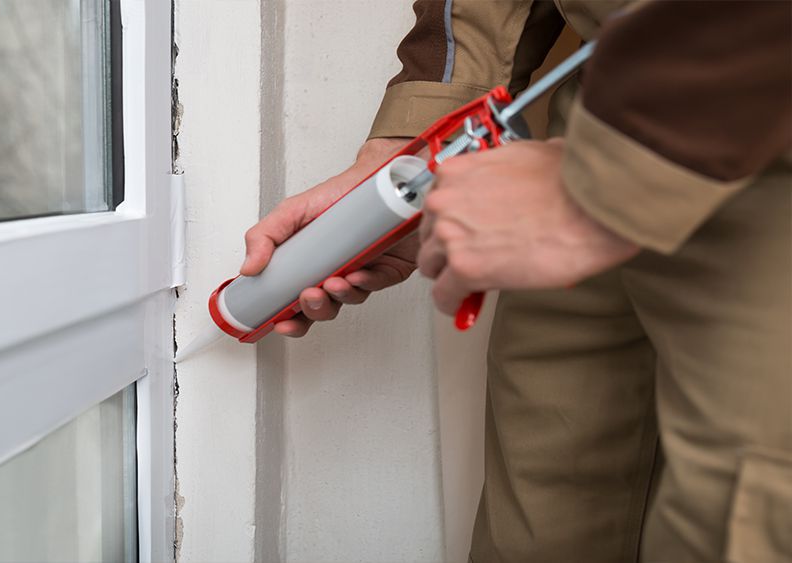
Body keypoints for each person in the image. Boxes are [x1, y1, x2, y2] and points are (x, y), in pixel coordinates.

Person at [240, 1, 792, 561]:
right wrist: (420, 142)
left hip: (762, 136)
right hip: (602, 118)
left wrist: (617, 175)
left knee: (740, 518)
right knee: (544, 506)